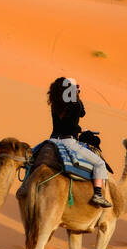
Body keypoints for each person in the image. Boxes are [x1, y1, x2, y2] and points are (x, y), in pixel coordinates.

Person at [47, 77, 111, 208]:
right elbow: (82, 113)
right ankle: (98, 194)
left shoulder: (55, 104)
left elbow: (66, 121)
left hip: (52, 140)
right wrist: (77, 94)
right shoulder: (75, 104)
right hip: (68, 142)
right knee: (99, 163)